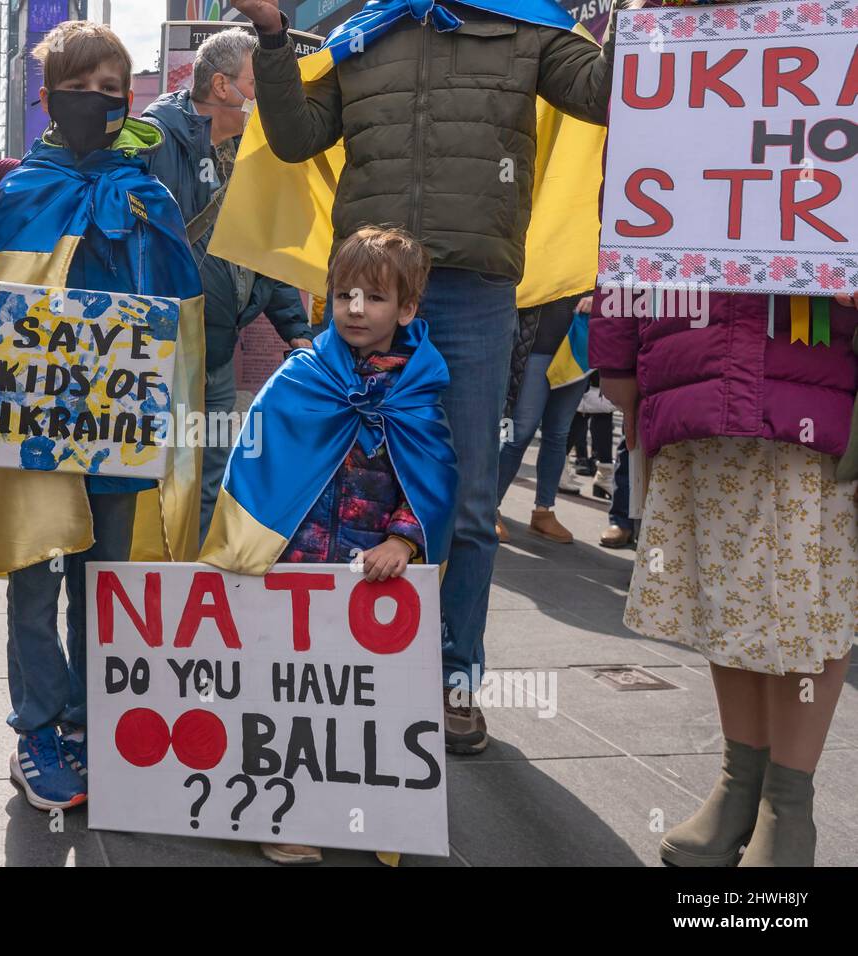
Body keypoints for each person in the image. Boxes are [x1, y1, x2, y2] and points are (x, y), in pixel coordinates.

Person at [233, 0, 621, 753]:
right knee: (330, 480)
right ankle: (342, 665)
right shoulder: (365, 33)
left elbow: (608, 93)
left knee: (470, 500)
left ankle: (454, 683)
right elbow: (293, 138)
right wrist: (274, 33)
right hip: (364, 292)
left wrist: (637, 16)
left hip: (473, 293)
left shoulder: (528, 24)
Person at [592, 1, 858, 868]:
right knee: (727, 606)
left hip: (805, 392)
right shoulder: (666, 67)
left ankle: (790, 806)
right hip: (691, 382)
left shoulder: (834, 51)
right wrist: (619, 368)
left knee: (805, 616)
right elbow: (625, 231)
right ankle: (740, 784)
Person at [0, 21, 204, 813]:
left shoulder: (150, 192)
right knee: (34, 575)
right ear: (47, 97)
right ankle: (38, 728)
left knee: (104, 579)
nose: (96, 102)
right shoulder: (23, 189)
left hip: (119, 424)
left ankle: (98, 720)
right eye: (81, 87)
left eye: (110, 89)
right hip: (36, 422)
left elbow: (180, 310)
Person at [201, 226, 458, 863]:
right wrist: (256, 548)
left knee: (356, 702)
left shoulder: (419, 390)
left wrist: (403, 540)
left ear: (406, 310)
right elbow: (254, 461)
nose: (354, 309)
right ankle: (286, 812)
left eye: (373, 297)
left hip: (369, 578)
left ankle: (358, 804)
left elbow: (432, 478)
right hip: (294, 568)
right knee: (288, 698)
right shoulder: (301, 376)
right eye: (343, 294)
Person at [141, 28, 313, 543]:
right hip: (160, 353)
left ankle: (196, 588)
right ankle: (149, 590)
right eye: (256, 85)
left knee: (210, 479)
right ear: (221, 86)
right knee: (155, 476)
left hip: (216, 358)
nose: (266, 99)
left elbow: (263, 251)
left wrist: (297, 330)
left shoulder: (252, 154)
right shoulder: (155, 141)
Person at [495, 294, 593, 545]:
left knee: (558, 433)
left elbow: (614, 286)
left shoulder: (597, 255)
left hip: (577, 346)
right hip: (537, 348)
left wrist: (599, 298)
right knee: (520, 432)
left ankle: (544, 510)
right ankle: (488, 507)